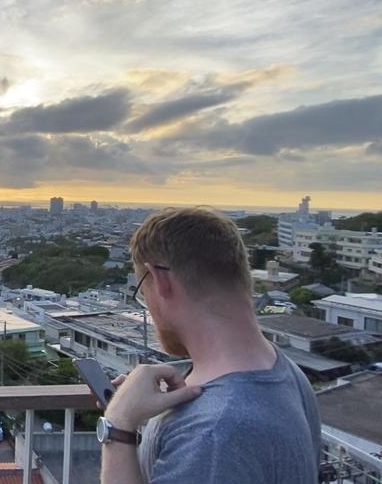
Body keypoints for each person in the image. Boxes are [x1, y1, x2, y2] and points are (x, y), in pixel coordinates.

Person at [98, 207, 321, 484]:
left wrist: (117, 425)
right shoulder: (285, 372)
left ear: (159, 280)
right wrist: (155, 415)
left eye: (143, 293)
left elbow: (216, 439)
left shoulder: (213, 434)